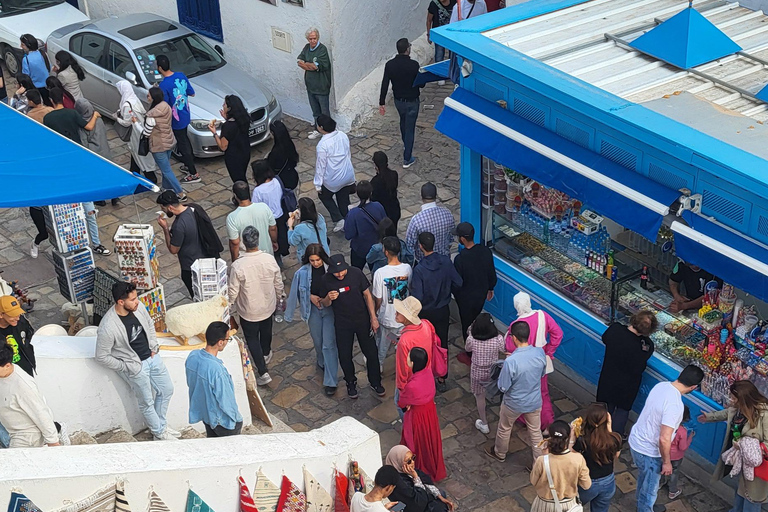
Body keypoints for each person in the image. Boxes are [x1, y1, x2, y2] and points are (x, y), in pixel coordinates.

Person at [95, 282, 178, 441]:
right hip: (135, 367)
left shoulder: (138, 308)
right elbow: (101, 356)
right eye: (132, 299)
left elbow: (149, 323)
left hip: (152, 357)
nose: (137, 302)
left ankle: (161, 426)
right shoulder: (108, 327)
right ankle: (159, 434)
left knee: (166, 389)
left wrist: (153, 344)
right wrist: (125, 366)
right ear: (121, 302)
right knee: (146, 402)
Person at [629, 365, 704, 512]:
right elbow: (664, 438)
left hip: (636, 441)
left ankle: (641, 503)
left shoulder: (661, 385)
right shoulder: (675, 406)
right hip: (650, 452)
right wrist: (667, 462)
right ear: (694, 387)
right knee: (650, 490)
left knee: (643, 479)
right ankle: (644, 508)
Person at [318, 254, 384, 399]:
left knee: (371, 353)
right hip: (343, 323)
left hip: (362, 319)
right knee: (345, 355)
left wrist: (373, 318)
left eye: (342, 271)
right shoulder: (326, 280)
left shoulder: (356, 273)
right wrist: (329, 298)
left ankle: (375, 382)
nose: (340, 274)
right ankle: (351, 383)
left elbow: (367, 295)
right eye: (336, 272)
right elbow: (324, 303)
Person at [699, 380, 768, 512]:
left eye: (733, 398)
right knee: (741, 490)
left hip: (756, 464)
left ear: (744, 399)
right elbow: (727, 413)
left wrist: (750, 448)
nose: (731, 400)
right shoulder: (739, 409)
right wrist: (709, 417)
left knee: (752, 498)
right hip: (741, 461)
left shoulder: (764, 415)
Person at [229, 226, 284, 386]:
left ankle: (263, 370)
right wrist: (280, 296)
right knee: (266, 329)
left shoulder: (238, 266)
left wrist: (228, 305)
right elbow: (278, 282)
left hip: (249, 309)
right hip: (268, 304)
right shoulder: (269, 259)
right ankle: (266, 353)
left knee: (252, 338)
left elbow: (233, 290)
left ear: (244, 243)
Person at [485, 320, 547, 463]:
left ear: (514, 338)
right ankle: (539, 463)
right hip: (534, 401)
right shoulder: (540, 352)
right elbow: (542, 373)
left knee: (504, 428)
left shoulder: (511, 362)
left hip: (513, 403)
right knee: (535, 432)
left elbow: (503, 387)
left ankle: (500, 453)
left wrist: (507, 362)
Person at [285, 244, 339, 396]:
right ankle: (322, 362)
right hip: (313, 310)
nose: (315, 263)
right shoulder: (301, 273)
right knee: (318, 341)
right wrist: (309, 297)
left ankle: (331, 381)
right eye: (312, 260)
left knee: (329, 344)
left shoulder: (332, 270)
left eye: (318, 260)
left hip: (330, 310)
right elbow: (295, 293)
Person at [410, 232, 462, 390]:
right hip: (442, 310)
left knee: (424, 344)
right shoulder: (445, 262)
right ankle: (441, 377)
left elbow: (417, 297)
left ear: (421, 246)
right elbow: (458, 282)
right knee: (442, 342)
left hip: (425, 313)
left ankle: (424, 374)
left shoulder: (419, 270)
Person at [504, 291, 562, 430]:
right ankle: (547, 422)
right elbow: (558, 334)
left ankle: (524, 418)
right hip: (540, 361)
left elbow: (510, 347)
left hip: (522, 365)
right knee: (542, 392)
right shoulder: (543, 316)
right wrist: (549, 351)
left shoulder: (516, 325)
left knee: (521, 391)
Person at [596, 310, 657, 438]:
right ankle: (616, 437)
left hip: (608, 376)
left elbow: (605, 338)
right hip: (628, 385)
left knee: (606, 406)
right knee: (622, 410)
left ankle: (599, 433)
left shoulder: (615, 329)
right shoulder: (646, 345)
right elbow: (640, 366)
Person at [185, 321, 243, 437]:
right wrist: (236, 419)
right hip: (224, 422)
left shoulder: (193, 356)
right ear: (220, 342)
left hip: (207, 416)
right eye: (227, 339)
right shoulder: (217, 371)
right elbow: (226, 400)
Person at [399, 347, 446, 482]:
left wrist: (406, 405)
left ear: (412, 363)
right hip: (430, 412)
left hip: (417, 416)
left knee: (418, 442)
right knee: (430, 440)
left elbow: (402, 402)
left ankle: (418, 470)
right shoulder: (428, 373)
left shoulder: (412, 385)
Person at [0, 344, 60, 448]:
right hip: (10, 430)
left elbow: (40, 411)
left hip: (27, 436)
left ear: (8, 365)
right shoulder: (3, 374)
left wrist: (53, 441)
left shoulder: (23, 385)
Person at [379, 38, 424, 168]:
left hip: (399, 101)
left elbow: (385, 83)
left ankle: (406, 143)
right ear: (407, 49)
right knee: (410, 127)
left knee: (403, 122)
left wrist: (382, 101)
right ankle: (407, 157)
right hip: (412, 101)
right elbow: (421, 84)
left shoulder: (390, 65)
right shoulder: (414, 65)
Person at [529, 420, 591, 512]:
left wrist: (544, 455)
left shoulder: (542, 461)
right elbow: (587, 485)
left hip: (545, 505)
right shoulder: (578, 459)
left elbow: (533, 481)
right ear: (568, 438)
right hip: (569, 506)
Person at [156, 54, 200, 183]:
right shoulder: (181, 75)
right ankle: (189, 165)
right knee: (185, 140)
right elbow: (191, 92)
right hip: (185, 114)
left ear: (159, 68)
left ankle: (193, 173)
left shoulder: (164, 85)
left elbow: (165, 105)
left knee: (183, 145)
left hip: (175, 119)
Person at [452, 221, 496, 345]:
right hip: (480, 295)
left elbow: (457, 283)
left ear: (462, 239)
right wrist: (490, 288)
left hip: (466, 300)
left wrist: (457, 296)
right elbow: (491, 273)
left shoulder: (460, 259)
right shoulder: (486, 251)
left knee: (467, 324)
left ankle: (470, 350)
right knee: (476, 318)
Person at [372, 237, 412, 372]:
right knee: (402, 343)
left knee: (383, 344)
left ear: (386, 252)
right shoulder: (407, 268)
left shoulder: (380, 273)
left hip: (387, 317)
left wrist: (375, 313)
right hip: (404, 317)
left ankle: (380, 366)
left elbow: (378, 298)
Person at [572, 404, 622, 512]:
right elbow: (616, 456)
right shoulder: (615, 438)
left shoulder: (583, 441)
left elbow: (572, 456)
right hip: (608, 481)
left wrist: (572, 436)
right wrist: (609, 428)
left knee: (572, 507)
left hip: (588, 482)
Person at [156, 191, 205, 297]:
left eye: (163, 208)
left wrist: (165, 228)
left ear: (169, 208)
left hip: (190, 265)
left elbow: (173, 249)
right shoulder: (193, 209)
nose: (162, 211)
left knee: (197, 296)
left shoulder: (179, 226)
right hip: (204, 258)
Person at [394, 297, 436, 417]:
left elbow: (402, 370)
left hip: (410, 382)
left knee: (400, 405)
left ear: (406, 316)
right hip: (426, 375)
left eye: (399, 312)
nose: (395, 313)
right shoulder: (426, 325)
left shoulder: (405, 341)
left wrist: (402, 391)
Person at [314, 114, 356, 233]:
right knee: (343, 198)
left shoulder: (322, 145)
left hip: (333, 179)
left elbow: (320, 166)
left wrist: (318, 184)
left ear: (321, 127)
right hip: (347, 174)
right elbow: (348, 154)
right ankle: (348, 222)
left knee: (324, 196)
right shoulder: (342, 135)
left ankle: (338, 218)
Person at [143, 87, 186, 201]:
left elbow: (146, 133)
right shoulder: (166, 106)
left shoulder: (151, 115)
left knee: (166, 170)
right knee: (166, 168)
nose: (147, 97)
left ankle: (180, 193)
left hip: (159, 145)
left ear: (153, 98)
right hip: (169, 140)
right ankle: (166, 187)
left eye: (148, 96)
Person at [464, 313, 505, 434]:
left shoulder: (472, 339)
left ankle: (484, 423)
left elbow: (467, 349)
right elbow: (504, 349)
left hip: (477, 371)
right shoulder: (498, 339)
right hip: (493, 371)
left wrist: (470, 332)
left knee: (479, 396)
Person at [115, 80, 159, 185]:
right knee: (136, 153)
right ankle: (134, 171)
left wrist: (116, 118)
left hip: (135, 133)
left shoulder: (126, 104)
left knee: (140, 154)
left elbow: (126, 123)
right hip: (142, 127)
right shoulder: (134, 98)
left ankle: (150, 177)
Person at [385, 445, 454, 512]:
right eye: (408, 461)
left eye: (413, 458)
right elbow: (418, 502)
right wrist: (415, 477)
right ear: (398, 462)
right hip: (414, 506)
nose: (412, 462)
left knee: (441, 494)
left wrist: (439, 496)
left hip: (422, 499)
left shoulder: (410, 471)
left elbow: (427, 482)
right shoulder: (399, 482)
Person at [226, 181, 277, 261]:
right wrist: (274, 241)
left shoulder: (232, 217)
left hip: (247, 258)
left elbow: (235, 243)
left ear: (235, 196)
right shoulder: (264, 207)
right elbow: (272, 228)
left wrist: (235, 261)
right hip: (266, 253)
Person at [405, 182, 455, 262]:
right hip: (444, 261)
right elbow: (451, 238)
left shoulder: (416, 220)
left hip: (425, 263)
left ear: (421, 197)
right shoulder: (447, 214)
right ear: (436, 196)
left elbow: (409, 246)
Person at [251, 160, 289, 265]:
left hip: (267, 221)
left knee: (272, 244)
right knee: (280, 240)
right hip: (280, 215)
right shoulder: (277, 181)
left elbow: (255, 207)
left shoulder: (258, 191)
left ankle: (277, 266)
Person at [297, 27, 332, 140]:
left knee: (324, 112)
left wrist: (308, 65)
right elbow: (300, 61)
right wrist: (309, 65)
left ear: (318, 38)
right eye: (311, 39)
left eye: (315, 38)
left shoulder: (322, 50)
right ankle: (318, 130)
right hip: (311, 87)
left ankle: (328, 133)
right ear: (308, 39)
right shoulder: (307, 48)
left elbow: (316, 66)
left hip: (321, 87)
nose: (313, 41)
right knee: (315, 111)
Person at [345, 180, 387, 270]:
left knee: (356, 272)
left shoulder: (353, 213)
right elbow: (385, 224)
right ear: (371, 192)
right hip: (376, 247)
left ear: (357, 193)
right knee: (376, 271)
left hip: (359, 249)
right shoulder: (378, 206)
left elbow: (349, 235)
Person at [210, 95, 251, 184]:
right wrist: (227, 119)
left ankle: (242, 196)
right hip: (245, 151)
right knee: (242, 175)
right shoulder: (245, 119)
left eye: (224, 104)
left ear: (229, 108)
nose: (222, 105)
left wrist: (214, 133)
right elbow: (236, 128)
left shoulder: (227, 126)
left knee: (238, 180)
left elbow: (223, 147)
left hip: (234, 157)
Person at [0, 296, 35, 377]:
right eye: (13, 315)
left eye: (18, 313)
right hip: (5, 374)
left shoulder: (21, 322)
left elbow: (28, 335)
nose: (18, 318)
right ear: (1, 314)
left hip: (25, 368)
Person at [664, 405, 694, 500]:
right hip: (676, 457)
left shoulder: (666, 425)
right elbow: (683, 447)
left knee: (662, 469)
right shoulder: (682, 431)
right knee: (674, 472)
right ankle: (672, 491)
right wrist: (690, 438)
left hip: (664, 453)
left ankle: (660, 483)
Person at [370, 152, 401, 230]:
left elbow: (373, 198)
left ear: (376, 166)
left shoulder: (375, 181)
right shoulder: (394, 174)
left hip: (383, 213)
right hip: (394, 209)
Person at [267, 120, 300, 191]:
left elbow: (271, 166)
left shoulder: (276, 152)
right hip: (293, 177)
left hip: (283, 181)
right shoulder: (289, 144)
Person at [427, 0, 457, 69]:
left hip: (451, 34)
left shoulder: (454, 2)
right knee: (439, 55)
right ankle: (439, 72)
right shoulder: (433, 4)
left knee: (452, 55)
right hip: (438, 35)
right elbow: (429, 20)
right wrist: (429, 34)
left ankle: (451, 71)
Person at [19, 34, 49, 104]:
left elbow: (26, 76)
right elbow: (48, 67)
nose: (21, 46)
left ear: (28, 46)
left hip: (36, 87)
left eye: (22, 44)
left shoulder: (26, 59)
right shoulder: (43, 53)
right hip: (47, 85)